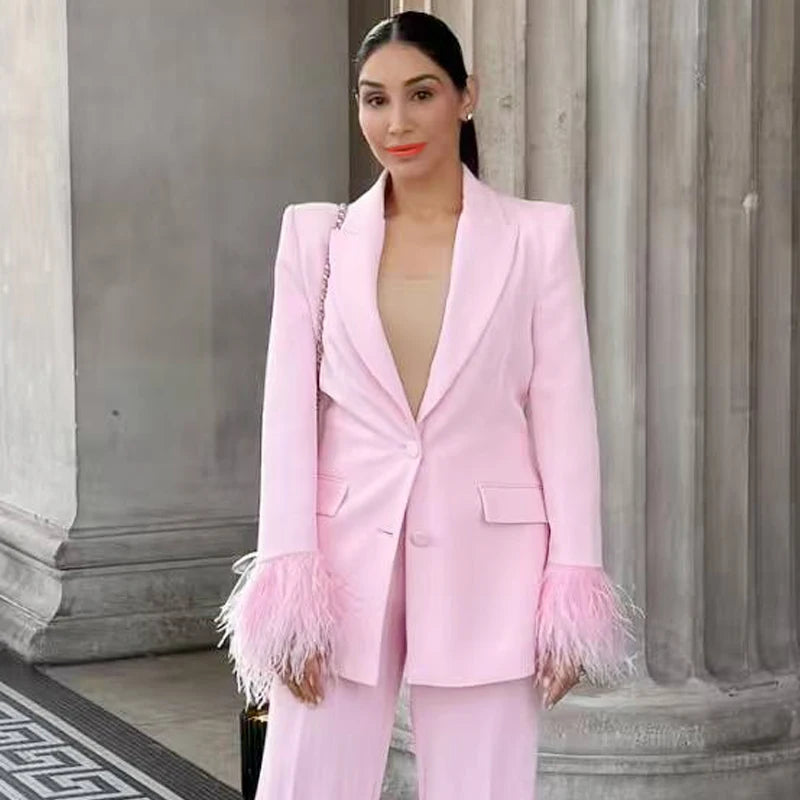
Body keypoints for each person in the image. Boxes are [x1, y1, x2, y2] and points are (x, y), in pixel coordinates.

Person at [217, 10, 635, 799]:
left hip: (494, 562)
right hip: (339, 563)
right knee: (307, 784)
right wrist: (287, 574)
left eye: (421, 94)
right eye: (374, 99)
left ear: (465, 97)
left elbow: (564, 417)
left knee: (483, 786)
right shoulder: (317, 239)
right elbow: (288, 422)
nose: (396, 122)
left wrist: (572, 577)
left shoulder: (537, 238)